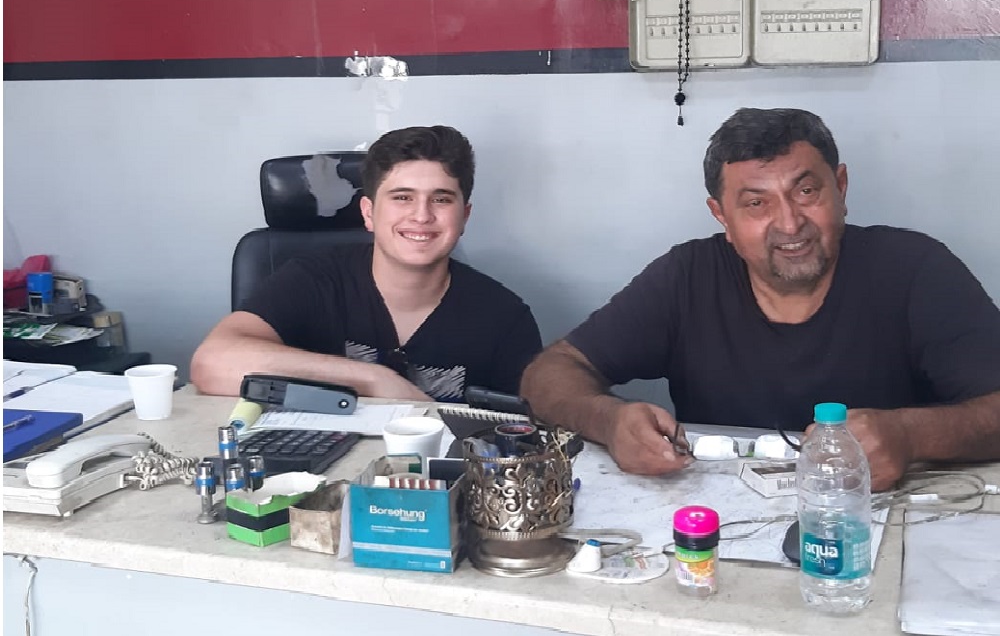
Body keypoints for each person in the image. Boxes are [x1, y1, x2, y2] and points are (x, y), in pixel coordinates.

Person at [521, 108, 1000, 491]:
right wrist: (608, 421)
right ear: (721, 216)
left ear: (841, 188)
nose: (790, 224)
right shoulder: (687, 276)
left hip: (882, 519)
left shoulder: (914, 269)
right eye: (756, 203)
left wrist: (910, 435)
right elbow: (549, 374)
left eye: (806, 191)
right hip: (719, 530)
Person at [191, 125, 542, 403]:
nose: (421, 215)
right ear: (369, 213)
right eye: (402, 197)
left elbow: (525, 435)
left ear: (464, 216)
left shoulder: (505, 318)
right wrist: (372, 379)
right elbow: (212, 363)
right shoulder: (314, 279)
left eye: (441, 199)